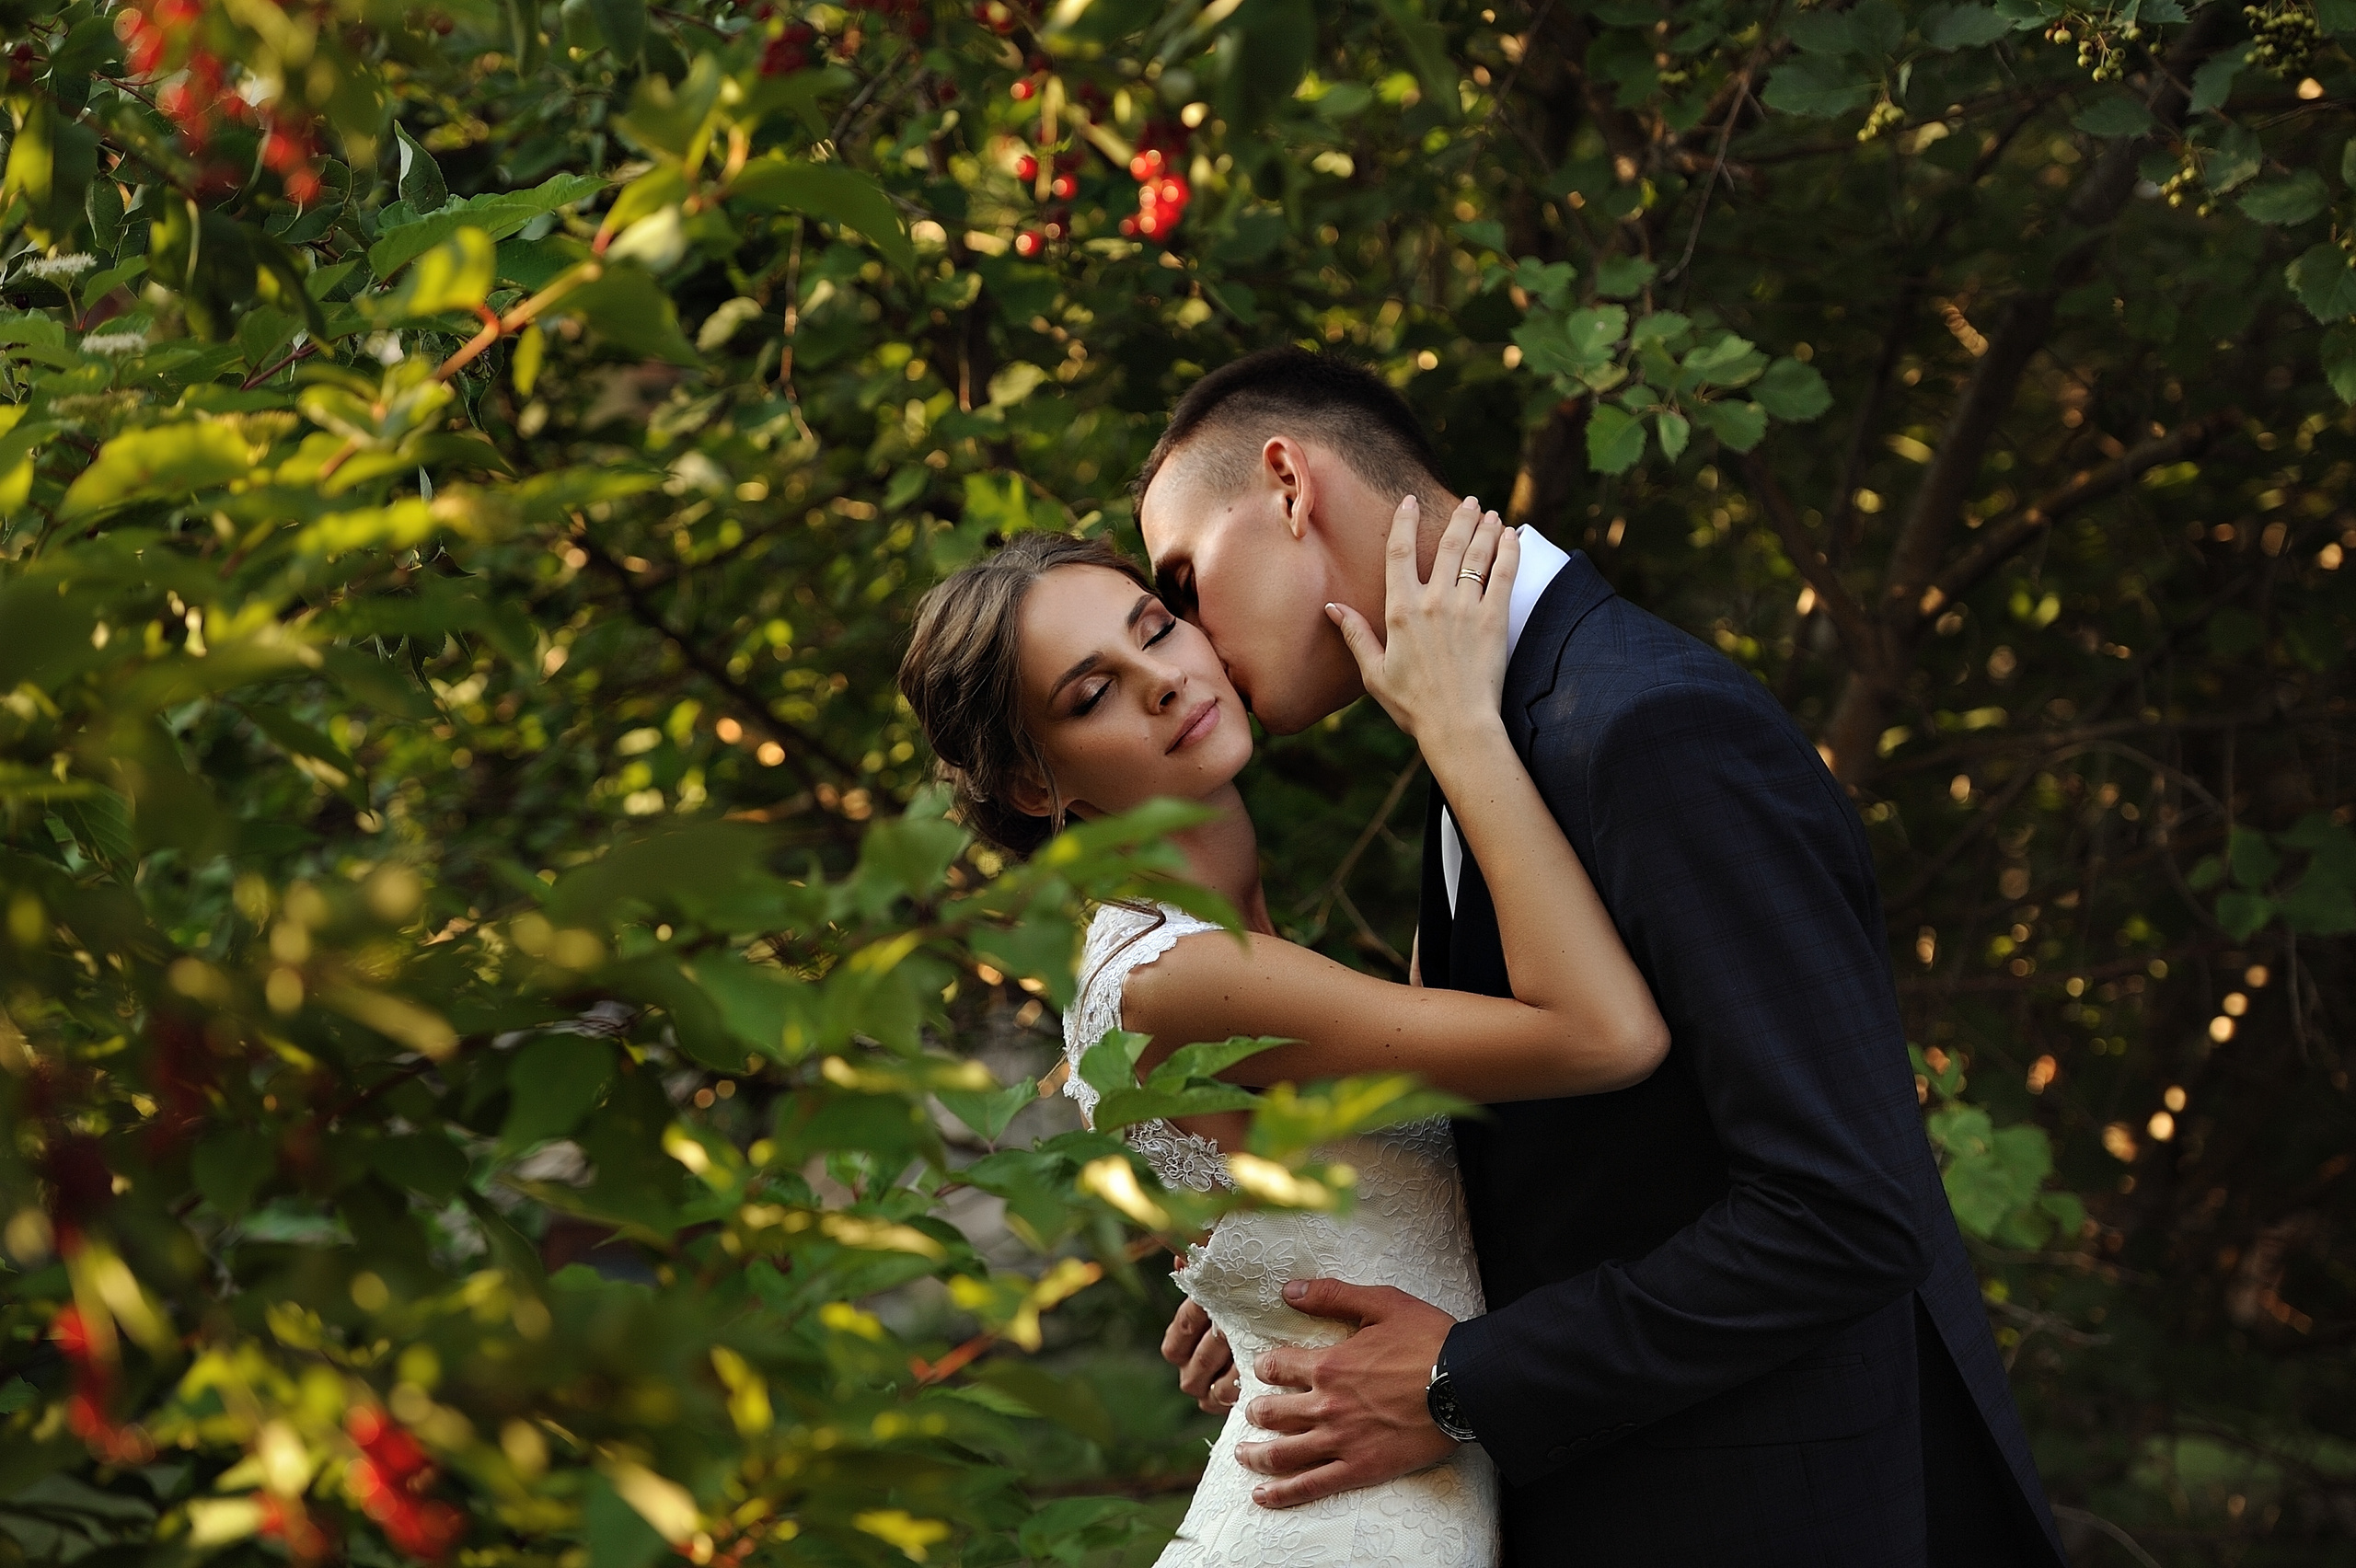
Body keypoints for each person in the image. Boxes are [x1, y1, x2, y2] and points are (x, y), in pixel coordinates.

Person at [1133, 347, 2069, 1567]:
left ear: (1289, 485)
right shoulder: (1479, 713)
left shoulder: (1640, 725)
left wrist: (1462, 1378)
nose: (1195, 649)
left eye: (1184, 584)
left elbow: (1847, 1210)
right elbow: (1575, 1176)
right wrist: (1298, 1285)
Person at [897, 507, 1671, 1566]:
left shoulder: (1203, 949)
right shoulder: (1186, 978)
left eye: (1155, 630)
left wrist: (1253, 1310)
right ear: (1039, 786)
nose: (1159, 681)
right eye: (1091, 694)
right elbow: (1604, 1037)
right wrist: (1454, 727)